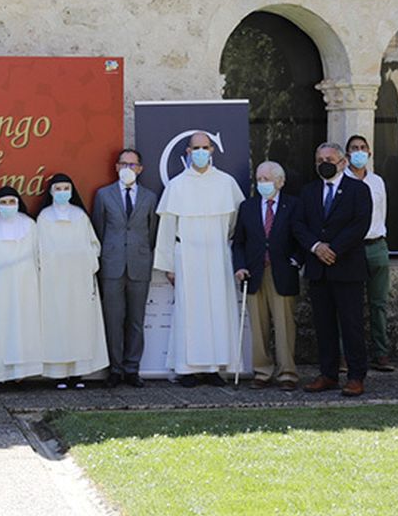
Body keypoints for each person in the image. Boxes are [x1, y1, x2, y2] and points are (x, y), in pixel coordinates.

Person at [153, 132, 246, 386]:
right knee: (189, 312)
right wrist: (168, 266)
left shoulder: (226, 183)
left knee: (218, 310)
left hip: (217, 255)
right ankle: (187, 369)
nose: (201, 152)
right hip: (187, 257)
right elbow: (167, 229)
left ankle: (214, 367)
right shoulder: (177, 185)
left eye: (205, 147)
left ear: (212, 150)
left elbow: (234, 223)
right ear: (188, 152)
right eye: (196, 148)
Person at [293, 142, 373, 396]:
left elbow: (360, 225)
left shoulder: (358, 190)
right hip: (319, 269)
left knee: (352, 325)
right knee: (323, 325)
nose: (324, 164)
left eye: (329, 159)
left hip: (347, 267)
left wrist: (334, 249)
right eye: (319, 160)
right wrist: (316, 247)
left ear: (343, 162)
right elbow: (298, 224)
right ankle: (328, 374)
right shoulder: (308, 191)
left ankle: (356, 376)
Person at [90, 148, 158, 387]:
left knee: (136, 320)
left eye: (133, 165)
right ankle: (115, 369)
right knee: (113, 319)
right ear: (116, 167)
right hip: (112, 266)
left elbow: (152, 232)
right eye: (124, 164)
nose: (128, 168)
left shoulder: (149, 197)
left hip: (139, 265)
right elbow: (99, 229)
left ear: (140, 169)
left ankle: (132, 369)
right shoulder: (103, 195)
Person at [231, 160, 301, 390]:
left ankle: (287, 373)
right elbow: (239, 242)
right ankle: (262, 372)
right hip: (254, 273)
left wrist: (296, 261)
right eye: (259, 179)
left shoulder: (293, 205)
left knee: (284, 325)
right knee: (258, 327)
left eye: (267, 179)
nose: (262, 183)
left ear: (280, 182)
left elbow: (302, 236)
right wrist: (240, 266)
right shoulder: (248, 207)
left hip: (282, 272)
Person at [35, 174, 108, 388]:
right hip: (53, 281)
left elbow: (94, 245)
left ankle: (78, 373)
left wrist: (86, 261)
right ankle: (59, 373)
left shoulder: (80, 216)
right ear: (51, 192)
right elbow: (37, 248)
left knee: (80, 325)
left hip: (79, 280)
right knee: (56, 324)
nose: (62, 192)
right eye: (58, 188)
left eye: (66, 188)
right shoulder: (44, 217)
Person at [0, 186, 45, 384]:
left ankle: (20, 373)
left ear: (18, 203)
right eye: (3, 202)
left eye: (12, 202)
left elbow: (41, 258)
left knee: (22, 331)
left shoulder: (30, 225)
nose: (8, 205)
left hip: (26, 289)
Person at [344, 134, 395, 371]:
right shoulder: (341, 182)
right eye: (354, 148)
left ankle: (381, 352)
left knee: (379, 303)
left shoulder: (377, 182)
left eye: (363, 148)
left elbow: (382, 213)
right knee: (347, 304)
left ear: (369, 153)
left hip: (376, 246)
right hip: (351, 249)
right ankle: (345, 355)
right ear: (347, 155)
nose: (359, 152)